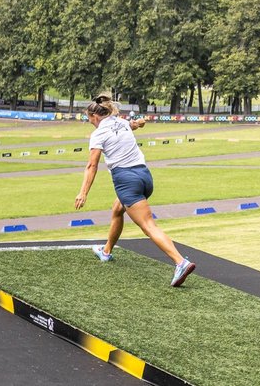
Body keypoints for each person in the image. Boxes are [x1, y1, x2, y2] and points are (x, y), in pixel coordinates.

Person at [74, 96, 196, 287]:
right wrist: (139, 123)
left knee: (148, 225)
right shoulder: (121, 122)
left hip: (126, 181)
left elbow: (92, 165)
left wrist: (83, 193)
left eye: (88, 119)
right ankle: (106, 252)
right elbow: (133, 125)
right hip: (144, 177)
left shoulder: (98, 134)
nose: (89, 122)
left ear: (94, 116)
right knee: (117, 209)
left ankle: (181, 262)